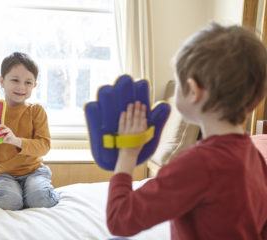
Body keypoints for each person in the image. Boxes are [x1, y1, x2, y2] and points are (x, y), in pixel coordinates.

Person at [106, 23, 267, 239]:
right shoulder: (254, 156)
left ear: (193, 91)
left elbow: (119, 219)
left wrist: (127, 153)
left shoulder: (198, 163)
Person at [0, 52, 59, 210]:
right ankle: (1, 194)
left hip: (34, 172)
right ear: (1, 81)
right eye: (15, 80)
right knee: (8, 202)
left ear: (34, 85)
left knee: (42, 200)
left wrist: (16, 141)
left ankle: (29, 194)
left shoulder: (36, 111)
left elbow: (44, 146)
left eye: (28, 82)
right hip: (4, 175)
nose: (22, 87)